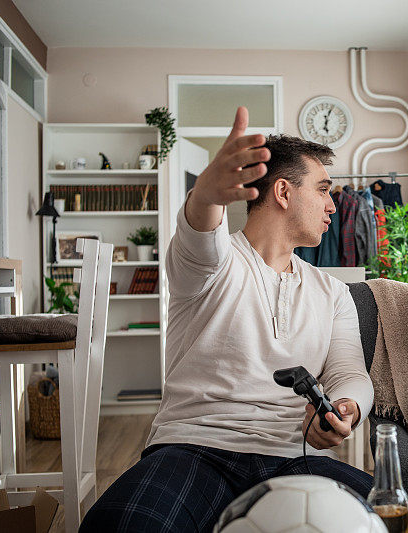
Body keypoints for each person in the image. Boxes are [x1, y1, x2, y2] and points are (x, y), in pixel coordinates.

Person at [80, 107, 376, 531]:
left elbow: (350, 371)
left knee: (395, 518)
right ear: (283, 192)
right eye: (324, 189)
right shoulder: (213, 263)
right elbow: (201, 232)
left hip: (296, 456)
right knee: (120, 526)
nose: (333, 204)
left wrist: (347, 408)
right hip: (194, 447)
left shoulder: (333, 294)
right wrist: (207, 193)